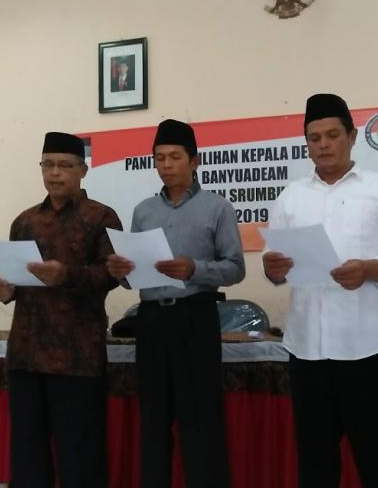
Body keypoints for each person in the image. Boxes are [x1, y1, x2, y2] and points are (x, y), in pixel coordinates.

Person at [262, 93, 378, 487]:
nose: (324, 145)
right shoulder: (291, 196)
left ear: (352, 136)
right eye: (314, 138)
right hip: (307, 350)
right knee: (315, 466)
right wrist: (273, 269)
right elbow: (275, 262)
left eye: (332, 135)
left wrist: (370, 269)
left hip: (365, 348)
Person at [106, 119, 244, 488]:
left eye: (175, 157)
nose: (166, 165)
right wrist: (121, 272)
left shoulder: (217, 208)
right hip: (151, 321)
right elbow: (134, 274)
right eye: (159, 158)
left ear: (194, 161)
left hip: (195, 318)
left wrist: (195, 268)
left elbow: (236, 268)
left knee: (200, 420)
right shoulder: (144, 211)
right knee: (153, 419)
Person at [0, 131, 122, 488]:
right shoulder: (25, 221)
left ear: (83, 170)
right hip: (26, 353)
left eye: (64, 165)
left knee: (79, 453)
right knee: (27, 451)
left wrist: (67, 275)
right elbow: (15, 277)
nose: (55, 173)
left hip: (77, 356)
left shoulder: (102, 217)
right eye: (48, 165)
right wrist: (5, 290)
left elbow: (112, 275)